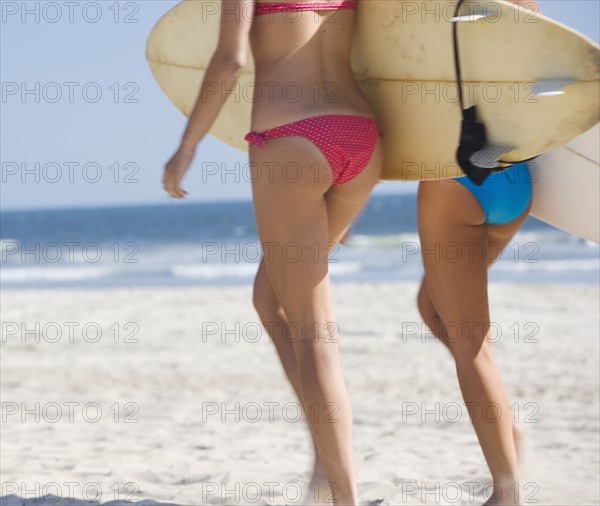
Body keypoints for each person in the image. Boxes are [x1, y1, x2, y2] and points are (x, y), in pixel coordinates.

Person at [162, 1, 383, 504]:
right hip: (364, 139)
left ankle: (342, 494)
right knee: (270, 301)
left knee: (314, 335)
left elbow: (230, 60)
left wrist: (188, 145)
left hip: (293, 142)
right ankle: (324, 460)